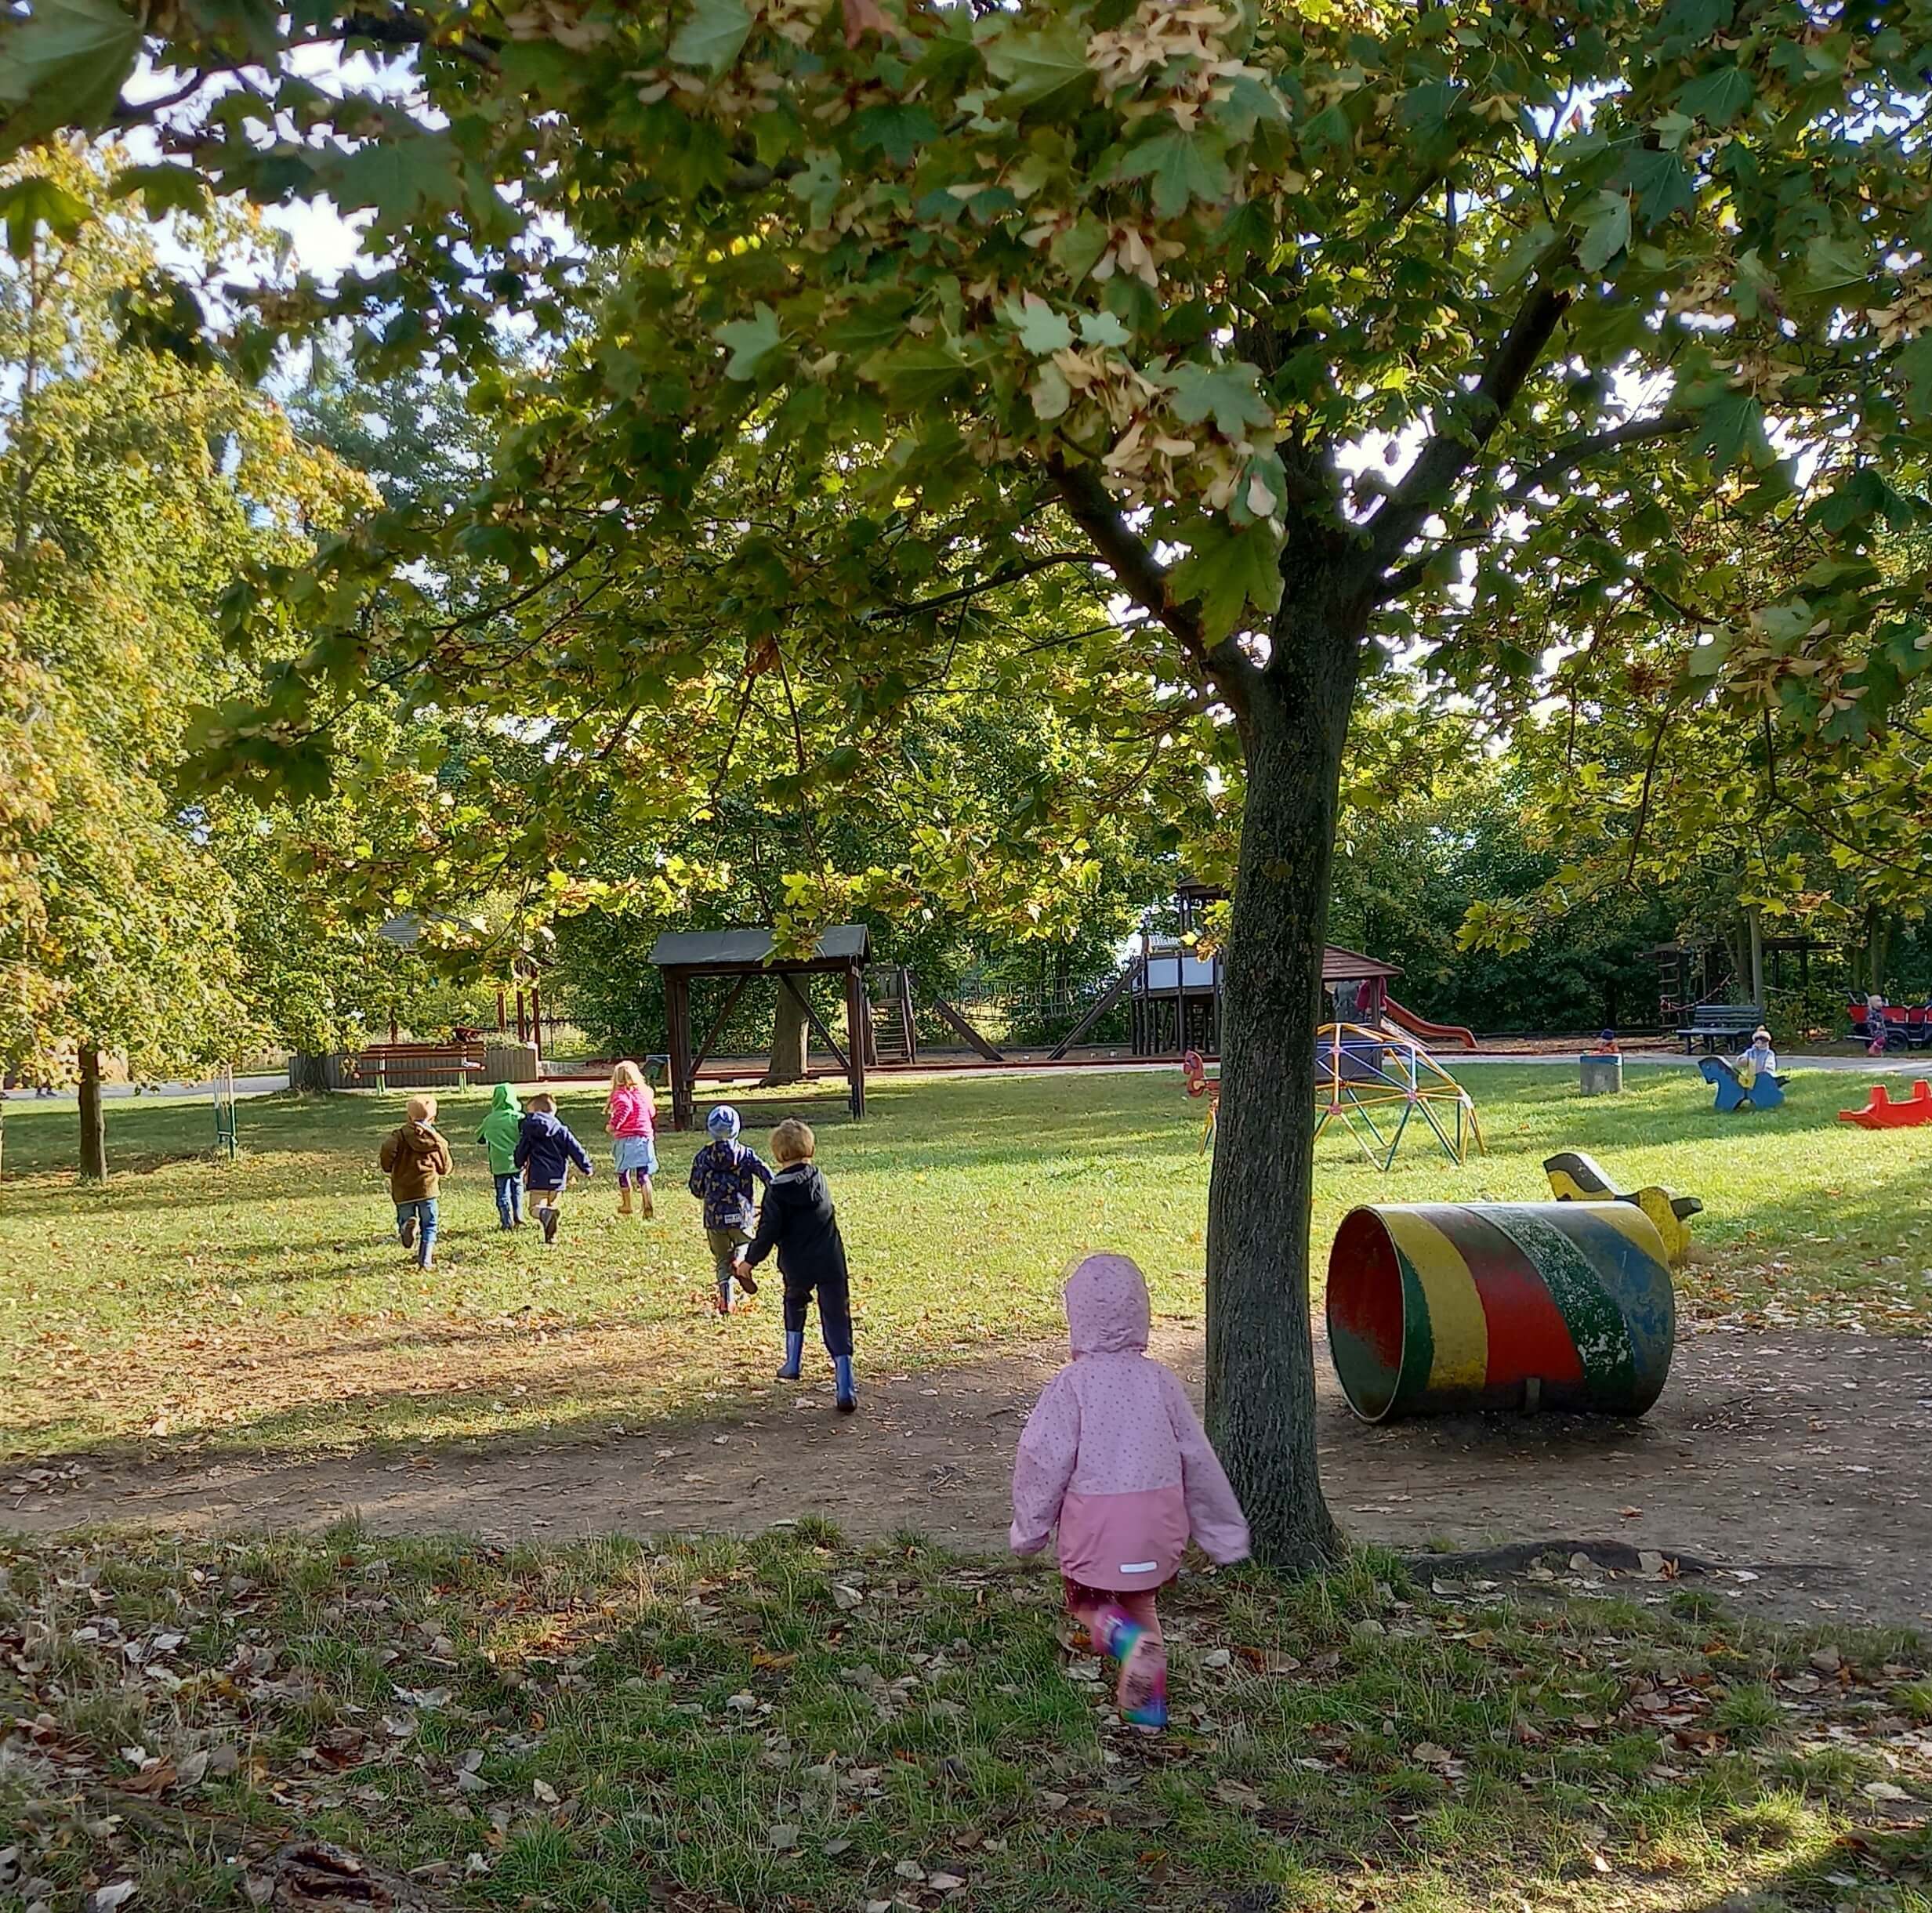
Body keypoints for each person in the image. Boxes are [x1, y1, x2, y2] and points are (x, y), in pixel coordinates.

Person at [1009, 1253, 1251, 1733]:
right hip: (1158, 1528)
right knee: (1142, 1604)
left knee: (1086, 1601)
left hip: (1098, 1530)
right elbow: (1198, 1458)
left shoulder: (1071, 1386)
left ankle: (1126, 1643)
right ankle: (1146, 1710)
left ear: (1078, 1317)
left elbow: (1043, 1459)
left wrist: (1029, 1531)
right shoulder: (1160, 1381)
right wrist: (1223, 1535)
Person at [733, 1118, 854, 1411]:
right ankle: (845, 1385)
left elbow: (768, 1232)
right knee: (837, 1317)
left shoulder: (776, 1191)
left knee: (795, 1302)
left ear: (778, 1154)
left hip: (796, 1263)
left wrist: (749, 1263)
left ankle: (793, 1362)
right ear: (809, 1148)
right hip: (830, 1260)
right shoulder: (818, 1178)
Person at [688, 1105, 769, 1317]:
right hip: (742, 1215)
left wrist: (705, 1192)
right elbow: (768, 1177)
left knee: (722, 1259)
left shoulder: (703, 1157)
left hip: (714, 1217)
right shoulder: (746, 1154)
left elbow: (695, 1188)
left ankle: (727, 1299)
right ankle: (740, 1261)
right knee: (745, 1242)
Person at [379, 1094, 454, 1271]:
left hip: (403, 1190)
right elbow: (445, 1166)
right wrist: (443, 1167)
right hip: (427, 1189)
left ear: (408, 1116)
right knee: (430, 1225)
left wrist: (388, 1166)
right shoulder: (435, 1140)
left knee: (405, 1216)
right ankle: (425, 1260)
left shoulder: (398, 1136)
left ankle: (406, 1226)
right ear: (433, 1117)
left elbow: (387, 1151)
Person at [514, 1092, 593, 1244]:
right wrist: (586, 1167)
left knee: (535, 1208)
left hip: (538, 1177)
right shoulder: (562, 1130)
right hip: (558, 1178)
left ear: (535, 1112)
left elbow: (522, 1150)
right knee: (553, 1207)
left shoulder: (530, 1131)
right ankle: (551, 1236)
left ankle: (544, 1215)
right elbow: (576, 1149)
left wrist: (518, 1163)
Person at [606, 1060, 658, 1219]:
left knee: (623, 1171)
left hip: (627, 1139)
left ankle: (627, 1204)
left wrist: (613, 1125)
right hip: (645, 1137)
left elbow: (624, 1108)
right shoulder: (644, 1094)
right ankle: (648, 1204)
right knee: (643, 1174)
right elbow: (652, 1112)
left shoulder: (620, 1095)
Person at [476, 1081, 525, 1230]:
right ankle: (518, 1216)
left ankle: (506, 1221)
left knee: (502, 1192)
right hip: (517, 1161)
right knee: (517, 1188)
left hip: (498, 1163)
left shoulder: (489, 1120)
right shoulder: (519, 1118)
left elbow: (479, 1137)